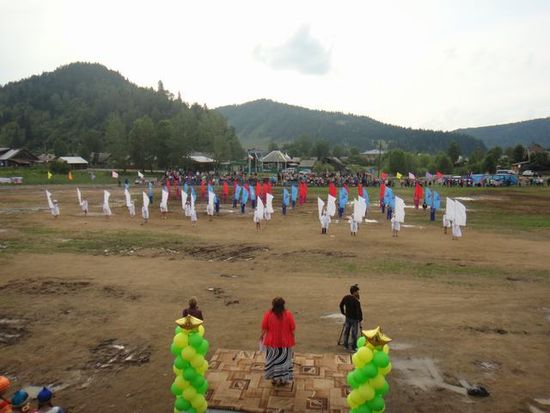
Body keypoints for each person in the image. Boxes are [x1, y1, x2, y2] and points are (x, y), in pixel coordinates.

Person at [261, 297, 296, 386]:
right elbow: (293, 327)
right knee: (284, 362)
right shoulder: (288, 314)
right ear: (283, 305)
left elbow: (264, 327)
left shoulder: (268, 314)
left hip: (272, 342)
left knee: (273, 361)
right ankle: (283, 380)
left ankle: (274, 379)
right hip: (285, 343)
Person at [339, 285, 363, 352]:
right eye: (357, 291)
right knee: (354, 334)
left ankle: (345, 345)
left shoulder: (346, 297)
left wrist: (343, 312)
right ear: (354, 292)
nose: (358, 293)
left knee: (346, 331)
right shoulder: (356, 301)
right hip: (354, 319)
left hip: (348, 318)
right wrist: (360, 320)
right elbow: (359, 311)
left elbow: (341, 305)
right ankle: (353, 347)